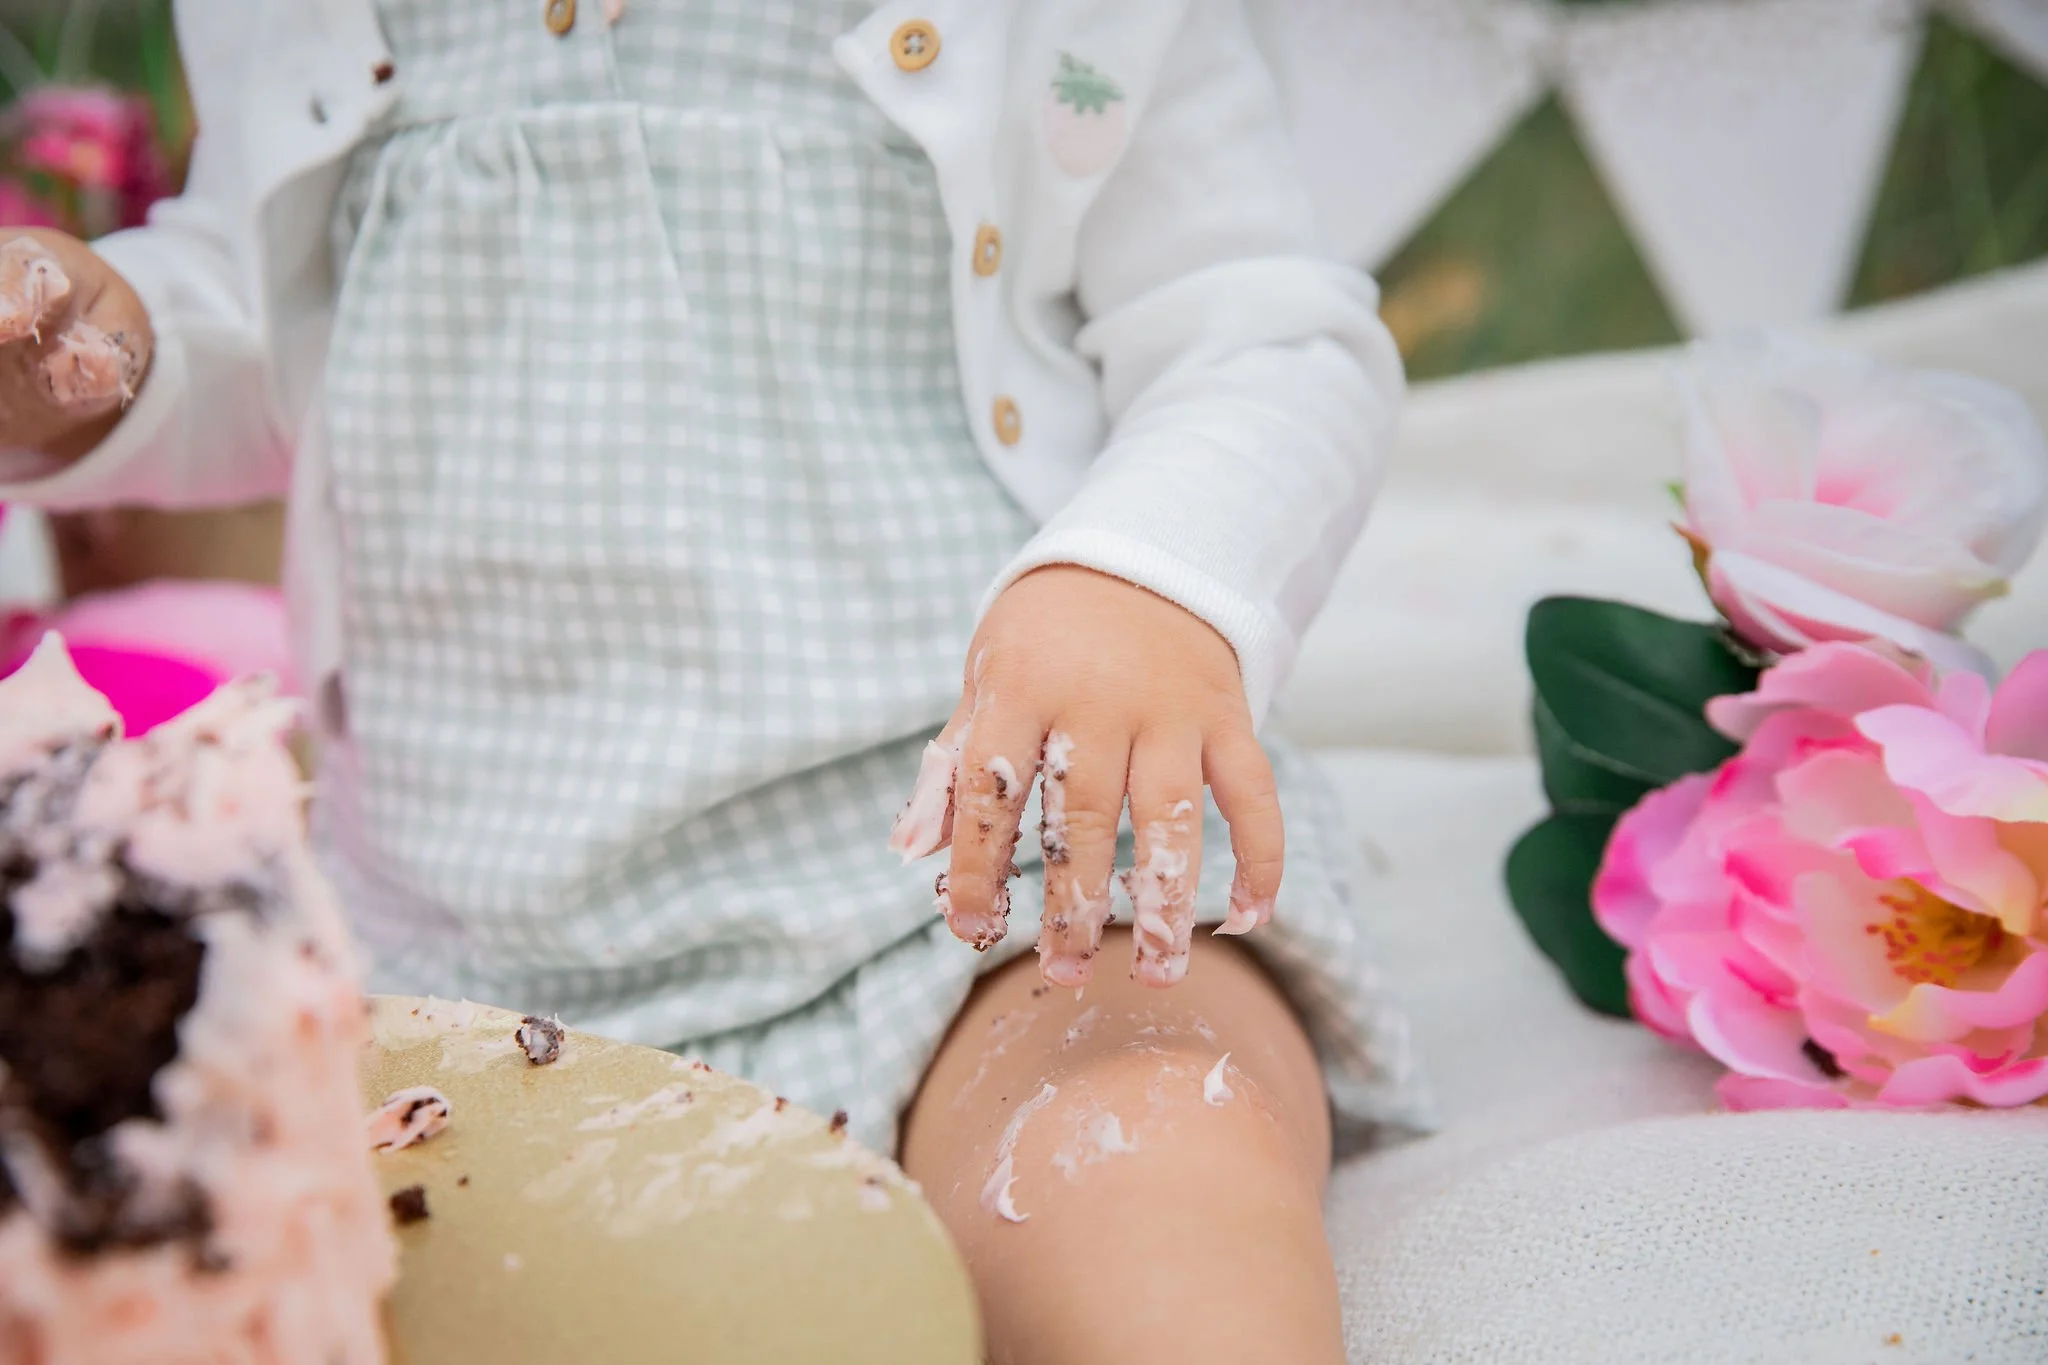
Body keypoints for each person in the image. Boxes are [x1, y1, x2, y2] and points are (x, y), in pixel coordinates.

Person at [0, 2, 1425, 1359]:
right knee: (211, 1249)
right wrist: (111, 359)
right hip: (470, 957)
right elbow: (273, 330)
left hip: (988, 890)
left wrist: (1137, 575)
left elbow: (1255, 328)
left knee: (1145, 1166)